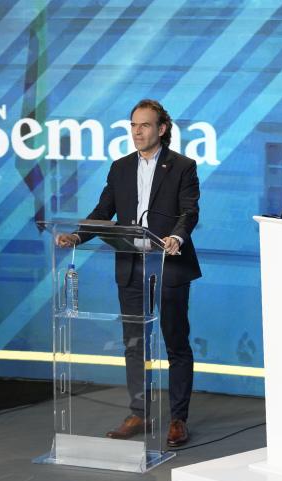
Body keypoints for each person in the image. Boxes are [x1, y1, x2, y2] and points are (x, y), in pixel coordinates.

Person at [56, 99, 201, 448]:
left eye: (145, 125)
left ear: (161, 129)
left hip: (169, 265)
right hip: (131, 266)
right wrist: (78, 234)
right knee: (134, 343)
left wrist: (176, 238)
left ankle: (178, 418)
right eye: (133, 125)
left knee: (175, 343)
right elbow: (103, 211)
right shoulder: (120, 168)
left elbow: (189, 211)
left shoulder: (182, 166)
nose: (137, 131)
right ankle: (139, 411)